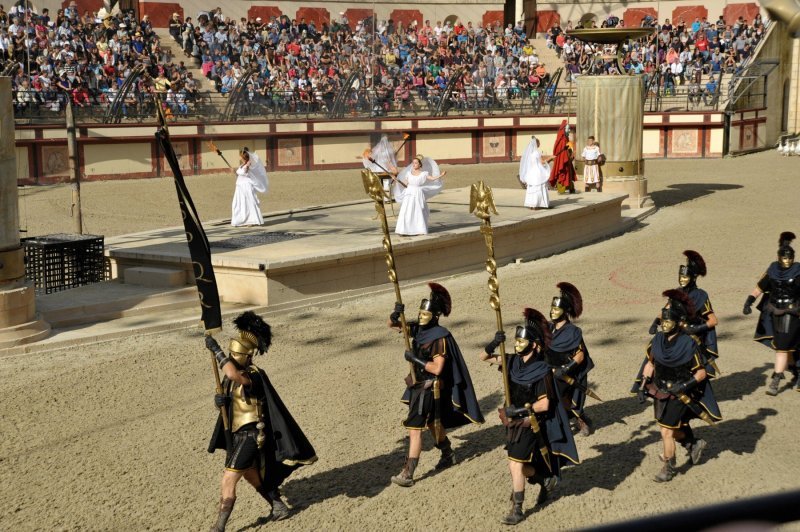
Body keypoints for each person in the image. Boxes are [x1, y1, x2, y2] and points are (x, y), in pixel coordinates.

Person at [204, 312, 317, 530]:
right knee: (250, 474)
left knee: (228, 479)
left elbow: (236, 376)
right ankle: (277, 505)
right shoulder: (229, 378)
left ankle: (218, 527)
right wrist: (219, 401)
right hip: (237, 434)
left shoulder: (254, 374)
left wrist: (216, 352)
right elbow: (231, 403)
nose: (230, 356)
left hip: (252, 435)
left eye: (232, 354)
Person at [480, 308, 579, 525]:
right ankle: (544, 479)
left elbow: (544, 404)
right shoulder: (512, 361)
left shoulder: (542, 370)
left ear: (534, 345)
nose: (517, 343)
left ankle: (517, 508)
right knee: (521, 465)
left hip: (531, 423)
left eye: (521, 341)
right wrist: (494, 343)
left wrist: (520, 411)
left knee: (515, 464)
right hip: (512, 423)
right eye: (516, 340)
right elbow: (484, 357)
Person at [388, 283, 484, 487]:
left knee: (414, 429)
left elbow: (438, 368)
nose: (421, 316)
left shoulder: (440, 337)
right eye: (420, 312)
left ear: (435, 315)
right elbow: (394, 326)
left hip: (429, 389)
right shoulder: (419, 329)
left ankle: (408, 473)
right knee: (432, 424)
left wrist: (415, 359)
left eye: (425, 314)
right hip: (418, 384)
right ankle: (448, 453)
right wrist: (395, 315)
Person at [635, 290, 722, 482]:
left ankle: (668, 467)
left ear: (677, 322)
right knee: (671, 427)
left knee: (666, 430)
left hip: (680, 394)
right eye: (662, 322)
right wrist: (642, 386)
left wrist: (683, 386)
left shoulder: (689, 344)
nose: (664, 325)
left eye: (668, 322)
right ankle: (693, 443)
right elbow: (650, 364)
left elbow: (700, 373)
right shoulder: (656, 340)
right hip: (660, 391)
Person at [743, 232, 800, 395]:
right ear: (779, 257)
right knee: (787, 346)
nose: (787, 261)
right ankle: (795, 370)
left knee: (782, 347)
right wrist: (749, 300)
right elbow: (761, 286)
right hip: (775, 312)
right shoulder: (773, 269)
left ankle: (776, 380)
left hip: (793, 312)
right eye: (785, 258)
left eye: (790, 258)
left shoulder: (798, 271)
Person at [546, 282, 596, 436]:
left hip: (570, 372)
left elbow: (580, 356)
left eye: (556, 309)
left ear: (565, 311)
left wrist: (565, 369)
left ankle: (581, 420)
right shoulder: (548, 327)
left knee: (569, 400)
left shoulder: (573, 332)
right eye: (552, 308)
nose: (553, 312)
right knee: (553, 398)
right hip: (552, 369)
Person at [393, 154, 446, 236]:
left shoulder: (424, 173)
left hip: (418, 193)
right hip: (409, 193)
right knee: (407, 210)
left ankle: (419, 229)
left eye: (416, 163)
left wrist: (441, 175)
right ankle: (404, 230)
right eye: (413, 163)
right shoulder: (408, 173)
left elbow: (432, 178)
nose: (414, 165)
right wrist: (397, 180)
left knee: (418, 211)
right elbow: (405, 183)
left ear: (420, 164)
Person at [231, 147, 269, 227]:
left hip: (246, 187)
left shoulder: (249, 165)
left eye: (240, 156)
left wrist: (246, 167)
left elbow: (245, 173)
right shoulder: (242, 165)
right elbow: (240, 175)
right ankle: (240, 220)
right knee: (239, 203)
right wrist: (235, 172)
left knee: (248, 203)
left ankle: (251, 221)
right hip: (239, 187)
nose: (240, 158)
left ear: (243, 157)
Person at [518, 136, 553, 210]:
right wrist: (550, 158)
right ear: (537, 144)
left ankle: (532, 204)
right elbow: (542, 162)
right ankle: (539, 203)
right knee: (539, 187)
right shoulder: (537, 152)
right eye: (539, 142)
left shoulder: (529, 154)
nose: (540, 144)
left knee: (532, 188)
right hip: (537, 172)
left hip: (531, 172)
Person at [362, 134, 399, 203]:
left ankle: (380, 197)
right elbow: (389, 161)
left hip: (378, 170)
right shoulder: (387, 152)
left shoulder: (377, 150)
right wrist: (393, 167)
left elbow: (371, 157)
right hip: (385, 170)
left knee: (380, 184)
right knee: (386, 183)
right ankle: (386, 198)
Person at [548, 120, 576, 194]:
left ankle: (570, 187)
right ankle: (561, 189)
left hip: (567, 160)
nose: (569, 130)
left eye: (569, 128)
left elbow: (568, 149)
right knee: (562, 173)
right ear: (563, 129)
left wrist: (570, 154)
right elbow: (560, 152)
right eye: (567, 128)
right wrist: (567, 156)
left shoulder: (566, 139)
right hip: (562, 160)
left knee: (568, 173)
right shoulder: (561, 140)